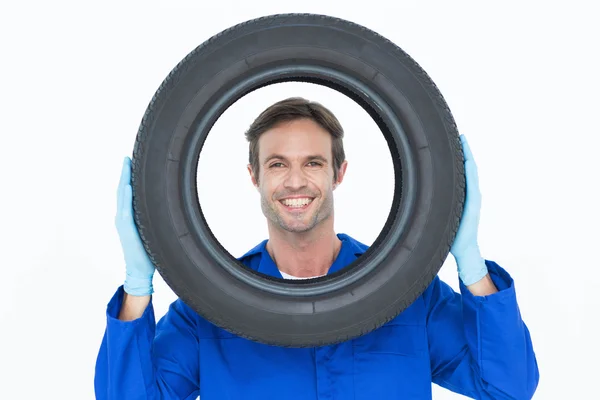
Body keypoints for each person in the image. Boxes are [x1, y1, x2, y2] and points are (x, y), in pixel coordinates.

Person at [95, 97, 539, 399]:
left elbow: (508, 387)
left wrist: (471, 265)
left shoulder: (407, 292)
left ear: (338, 172)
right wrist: (138, 286)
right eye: (276, 164)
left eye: (313, 162)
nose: (294, 181)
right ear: (254, 176)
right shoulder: (210, 304)